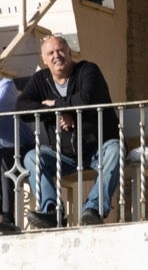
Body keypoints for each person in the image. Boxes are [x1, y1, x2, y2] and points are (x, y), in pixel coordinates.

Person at [17, 37, 119, 229]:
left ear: (69, 52)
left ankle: (93, 209)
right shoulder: (40, 80)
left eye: (61, 50)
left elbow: (87, 98)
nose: (57, 56)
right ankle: (52, 211)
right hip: (63, 155)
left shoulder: (88, 70)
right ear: (44, 60)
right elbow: (22, 107)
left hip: (98, 148)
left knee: (116, 150)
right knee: (32, 157)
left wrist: (57, 105)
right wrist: (57, 114)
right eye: (51, 53)